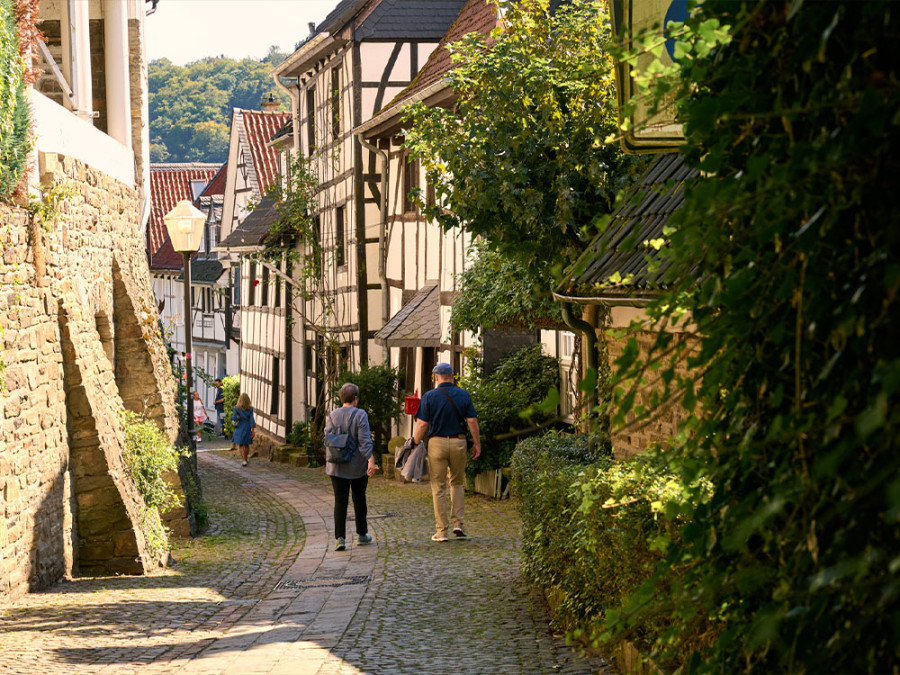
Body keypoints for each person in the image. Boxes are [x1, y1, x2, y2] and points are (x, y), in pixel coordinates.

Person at [413, 362, 481, 542]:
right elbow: (472, 421)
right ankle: (458, 523)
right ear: (452, 375)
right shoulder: (463, 394)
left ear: (436, 377)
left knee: (438, 487)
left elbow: (422, 424)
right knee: (457, 483)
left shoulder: (429, 397)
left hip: (437, 444)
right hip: (459, 442)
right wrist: (476, 443)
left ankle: (442, 531)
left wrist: (414, 443)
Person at [325, 382, 377, 551]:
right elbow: (364, 442)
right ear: (355, 399)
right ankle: (362, 535)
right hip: (357, 466)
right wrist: (370, 460)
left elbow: (327, 437)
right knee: (359, 499)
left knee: (340, 501)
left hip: (337, 466)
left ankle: (340, 538)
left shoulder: (332, 415)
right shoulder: (360, 415)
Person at [232, 392, 256, 467]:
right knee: (246, 444)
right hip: (247, 427)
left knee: (241, 444)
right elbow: (252, 420)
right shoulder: (250, 409)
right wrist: (253, 431)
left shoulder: (236, 408)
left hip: (239, 427)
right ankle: (246, 458)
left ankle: (244, 460)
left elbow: (234, 418)